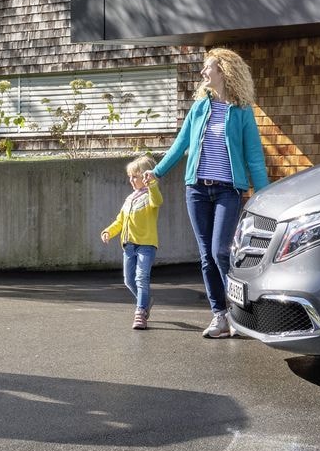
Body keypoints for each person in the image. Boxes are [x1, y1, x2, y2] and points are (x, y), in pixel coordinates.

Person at [151, 48, 270, 338]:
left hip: (229, 191)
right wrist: (155, 172)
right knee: (206, 255)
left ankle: (239, 311)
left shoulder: (242, 112)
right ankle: (219, 316)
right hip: (197, 190)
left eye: (208, 68)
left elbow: (254, 156)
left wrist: (266, 196)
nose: (203, 73)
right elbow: (180, 146)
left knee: (220, 251)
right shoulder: (200, 108)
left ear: (224, 72)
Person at [101, 155, 163, 329]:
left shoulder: (151, 194)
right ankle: (146, 301)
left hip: (146, 245)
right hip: (129, 246)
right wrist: (108, 231)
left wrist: (152, 183)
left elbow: (157, 200)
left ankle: (140, 312)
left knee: (141, 278)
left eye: (135, 176)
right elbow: (120, 221)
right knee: (129, 280)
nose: (131, 180)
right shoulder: (130, 199)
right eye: (130, 177)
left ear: (145, 176)